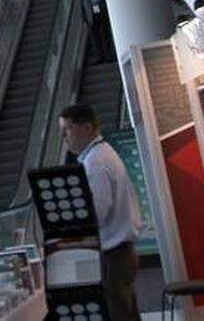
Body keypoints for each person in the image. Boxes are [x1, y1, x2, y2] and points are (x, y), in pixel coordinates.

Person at [59, 104, 142, 321]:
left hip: (113, 253)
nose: (63, 136)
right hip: (121, 251)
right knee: (126, 312)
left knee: (118, 314)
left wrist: (70, 223)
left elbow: (98, 211)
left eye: (67, 129)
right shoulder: (100, 154)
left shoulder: (96, 161)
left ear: (86, 128)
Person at [83, 0, 114, 64]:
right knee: (95, 40)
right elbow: (83, 8)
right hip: (91, 19)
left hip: (102, 16)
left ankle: (109, 55)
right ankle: (99, 57)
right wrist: (85, 21)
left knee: (105, 36)